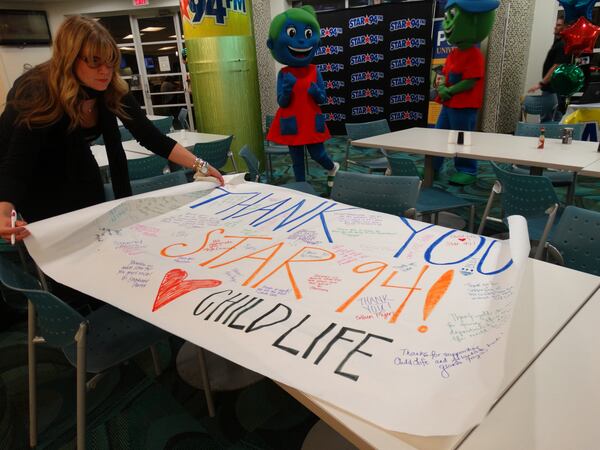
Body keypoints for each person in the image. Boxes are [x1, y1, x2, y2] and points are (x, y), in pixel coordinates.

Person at [0, 16, 224, 309]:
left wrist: (201, 166)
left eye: (111, 61)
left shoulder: (110, 87)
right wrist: (4, 209)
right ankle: (77, 310)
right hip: (31, 172)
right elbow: (17, 162)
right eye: (94, 62)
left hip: (75, 158)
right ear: (70, 59)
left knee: (100, 228)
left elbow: (150, 136)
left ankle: (103, 296)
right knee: (62, 250)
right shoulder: (38, 90)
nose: (105, 71)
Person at [266, 6, 339, 187]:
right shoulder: (283, 73)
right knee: (296, 159)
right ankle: (301, 188)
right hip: (292, 121)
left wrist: (316, 93)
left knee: (318, 154)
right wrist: (287, 89)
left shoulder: (314, 71)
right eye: (292, 33)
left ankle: (332, 167)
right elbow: (282, 102)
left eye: (307, 34)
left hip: (310, 120)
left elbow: (323, 98)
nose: (299, 41)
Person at [527, 17, 570, 122]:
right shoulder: (558, 42)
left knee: (549, 121)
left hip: (553, 90)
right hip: (551, 89)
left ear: (565, 28)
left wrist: (541, 83)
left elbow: (556, 66)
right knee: (552, 119)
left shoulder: (562, 44)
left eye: (559, 25)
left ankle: (548, 138)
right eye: (556, 24)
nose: (555, 27)